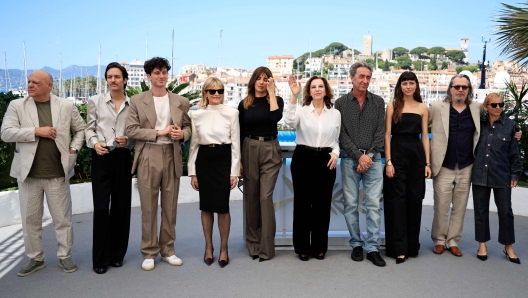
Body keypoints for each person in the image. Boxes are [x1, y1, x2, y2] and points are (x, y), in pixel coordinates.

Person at [1, 70, 86, 276]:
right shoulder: (17, 106)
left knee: (62, 219)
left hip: (57, 173)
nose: (30, 85)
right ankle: (35, 258)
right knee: (30, 220)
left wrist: (73, 150)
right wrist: (36, 131)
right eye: (29, 81)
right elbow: (6, 133)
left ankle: (65, 256)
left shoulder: (65, 106)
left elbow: (81, 129)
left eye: (35, 82)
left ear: (49, 86)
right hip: (28, 175)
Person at [126, 57, 191, 271]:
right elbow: (131, 130)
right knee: (149, 207)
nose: (161, 76)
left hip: (172, 154)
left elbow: (189, 129)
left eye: (164, 72)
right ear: (148, 76)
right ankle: (149, 252)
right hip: (148, 154)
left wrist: (182, 133)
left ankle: (168, 250)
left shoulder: (181, 101)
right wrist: (158, 133)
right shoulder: (136, 100)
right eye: (156, 72)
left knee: (170, 206)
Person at [335, 62, 386, 267]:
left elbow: (380, 133)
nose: (365, 80)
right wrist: (359, 156)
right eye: (361, 76)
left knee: (373, 205)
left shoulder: (378, 102)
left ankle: (373, 248)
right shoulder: (340, 104)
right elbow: (341, 134)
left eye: (368, 77)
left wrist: (369, 156)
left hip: (373, 161)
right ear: (352, 78)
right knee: (350, 205)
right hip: (349, 160)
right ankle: (356, 244)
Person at [284, 75, 340, 261]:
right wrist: (294, 96)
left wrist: (336, 153)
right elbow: (289, 122)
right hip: (303, 158)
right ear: (308, 91)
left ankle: (319, 247)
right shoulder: (301, 110)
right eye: (313, 86)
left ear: (326, 90)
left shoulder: (335, 113)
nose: (317, 89)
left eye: (320, 86)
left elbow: (336, 139)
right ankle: (302, 247)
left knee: (322, 206)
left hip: (326, 160)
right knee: (302, 205)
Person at [85, 62, 134, 274]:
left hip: (123, 157)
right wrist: (95, 143)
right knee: (102, 208)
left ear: (124, 80)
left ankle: (117, 255)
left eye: (117, 76)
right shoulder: (95, 101)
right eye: (109, 76)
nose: (112, 80)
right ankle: (100, 259)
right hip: (102, 157)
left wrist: (129, 141)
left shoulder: (133, 104)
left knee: (121, 208)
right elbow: (89, 128)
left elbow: (136, 132)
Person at [188, 77, 240, 268]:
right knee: (207, 206)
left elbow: (236, 144)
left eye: (220, 90)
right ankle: (208, 247)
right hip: (204, 160)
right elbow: (193, 146)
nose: (217, 94)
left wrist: (234, 171)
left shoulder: (232, 114)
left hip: (224, 159)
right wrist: (193, 172)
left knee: (223, 207)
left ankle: (224, 249)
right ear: (205, 93)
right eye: (212, 91)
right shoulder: (196, 115)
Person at [383, 71, 431, 264]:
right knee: (396, 202)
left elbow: (425, 137)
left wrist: (427, 163)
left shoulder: (422, 108)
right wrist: (388, 161)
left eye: (411, 83)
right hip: (397, 154)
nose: (408, 87)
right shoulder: (392, 106)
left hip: (416, 156)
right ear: (400, 86)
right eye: (405, 83)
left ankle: (412, 246)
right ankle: (398, 248)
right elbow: (387, 135)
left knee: (414, 202)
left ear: (416, 86)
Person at [238, 66, 284, 262]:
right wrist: (239, 160)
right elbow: (239, 132)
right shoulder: (244, 104)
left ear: (270, 82)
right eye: (259, 78)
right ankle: (253, 245)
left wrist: (272, 93)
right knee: (252, 198)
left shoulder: (276, 101)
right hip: (249, 148)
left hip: (270, 148)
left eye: (266, 79)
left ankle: (266, 248)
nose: (262, 81)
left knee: (265, 197)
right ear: (253, 80)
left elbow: (276, 117)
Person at [472, 93, 522, 264]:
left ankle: (508, 247)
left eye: (501, 104)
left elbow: (515, 154)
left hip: (502, 175)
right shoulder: (479, 124)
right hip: (480, 174)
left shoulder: (511, 126)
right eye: (493, 105)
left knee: (506, 211)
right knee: (481, 211)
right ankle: (482, 244)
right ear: (486, 107)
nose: (498, 108)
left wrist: (515, 174)